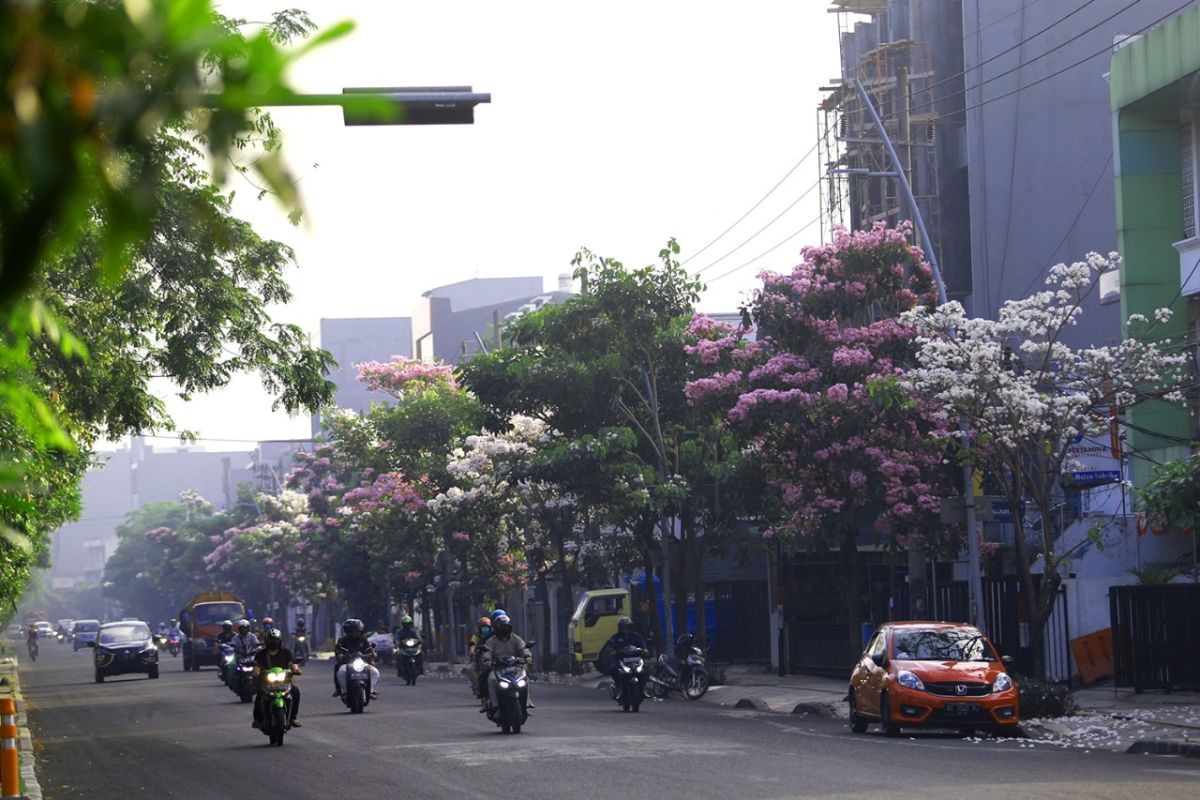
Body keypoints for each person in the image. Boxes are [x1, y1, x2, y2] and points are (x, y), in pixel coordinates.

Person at [480, 614, 532, 713]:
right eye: (501, 627)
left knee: (526, 678)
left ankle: (527, 702)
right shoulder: (491, 641)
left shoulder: (516, 638)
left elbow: (523, 647)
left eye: (506, 627)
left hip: (515, 667)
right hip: (498, 668)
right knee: (491, 679)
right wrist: (487, 660)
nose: (504, 629)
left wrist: (527, 656)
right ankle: (495, 706)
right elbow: (487, 652)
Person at [251, 629, 302, 729]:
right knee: (260, 696)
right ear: (267, 641)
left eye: (276, 640)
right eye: (272, 640)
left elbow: (292, 664)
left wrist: (296, 670)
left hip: (284, 683)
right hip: (267, 684)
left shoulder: (286, 652)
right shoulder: (261, 654)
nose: (274, 643)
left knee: (295, 691)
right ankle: (258, 720)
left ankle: (292, 718)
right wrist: (256, 673)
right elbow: (257, 667)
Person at [333, 618, 380, 699]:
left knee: (375, 672)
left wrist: (373, 654)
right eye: (355, 631)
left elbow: (370, 649)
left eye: (359, 631)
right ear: (349, 631)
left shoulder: (364, 640)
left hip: (362, 663)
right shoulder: (343, 640)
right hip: (346, 663)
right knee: (339, 670)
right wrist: (340, 655)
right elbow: (338, 650)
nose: (357, 633)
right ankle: (342, 691)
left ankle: (370, 690)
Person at [600, 616, 647, 683]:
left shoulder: (636, 636)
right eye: (623, 627)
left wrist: (645, 650)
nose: (626, 628)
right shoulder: (615, 637)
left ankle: (643, 687)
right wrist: (611, 651)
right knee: (613, 669)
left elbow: (643, 644)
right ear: (620, 627)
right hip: (621, 660)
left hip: (635, 660)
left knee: (645, 669)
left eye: (627, 626)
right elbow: (609, 645)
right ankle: (618, 686)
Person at [466, 616, 492, 699]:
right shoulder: (476, 636)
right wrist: (472, 651)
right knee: (470, 669)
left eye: (487, 627)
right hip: (480, 658)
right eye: (483, 628)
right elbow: (472, 644)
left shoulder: (493, 635)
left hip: (492, 658)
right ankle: (478, 688)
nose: (485, 629)